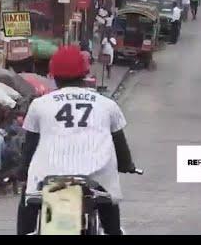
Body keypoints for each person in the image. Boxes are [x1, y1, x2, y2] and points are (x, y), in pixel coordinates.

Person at [16, 45, 136, 235]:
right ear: (85, 74)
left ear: (53, 75)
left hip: (50, 174)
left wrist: (22, 171)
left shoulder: (39, 105)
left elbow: (30, 146)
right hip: (96, 175)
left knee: (28, 201)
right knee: (108, 204)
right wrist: (127, 165)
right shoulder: (107, 105)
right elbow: (120, 144)